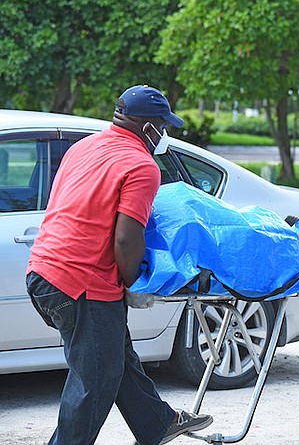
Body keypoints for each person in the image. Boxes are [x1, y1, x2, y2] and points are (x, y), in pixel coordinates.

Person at [25, 85, 213, 445]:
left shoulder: (83, 147)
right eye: (163, 125)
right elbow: (126, 238)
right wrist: (135, 282)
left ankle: (157, 422)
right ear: (147, 128)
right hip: (81, 283)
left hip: (43, 272)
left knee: (114, 357)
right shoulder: (141, 165)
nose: (165, 134)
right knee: (94, 384)